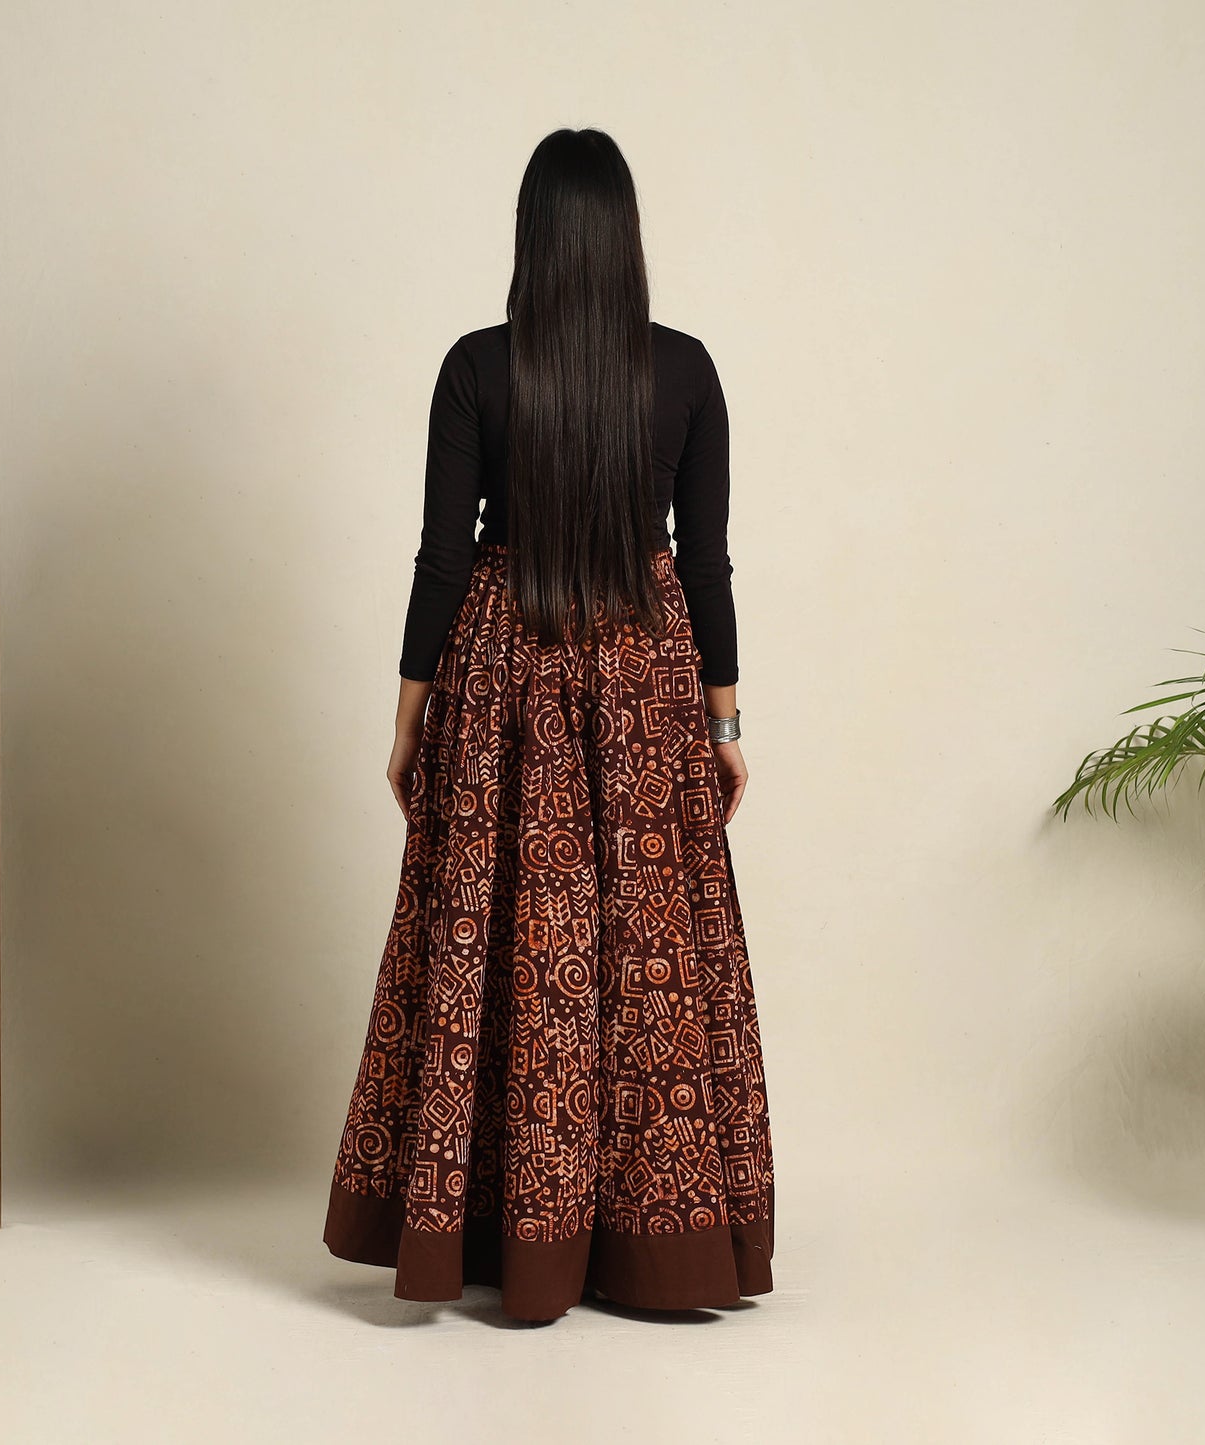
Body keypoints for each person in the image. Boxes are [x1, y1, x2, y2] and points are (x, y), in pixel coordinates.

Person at [322, 127, 774, 1323]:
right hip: (643, 679)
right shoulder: (685, 369)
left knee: (492, 937)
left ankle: (487, 1226)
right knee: (646, 951)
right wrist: (724, 722)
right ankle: (652, 1241)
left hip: (500, 673)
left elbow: (441, 555)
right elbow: (707, 562)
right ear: (625, 237)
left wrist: (408, 720)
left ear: (529, 235)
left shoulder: (477, 365)